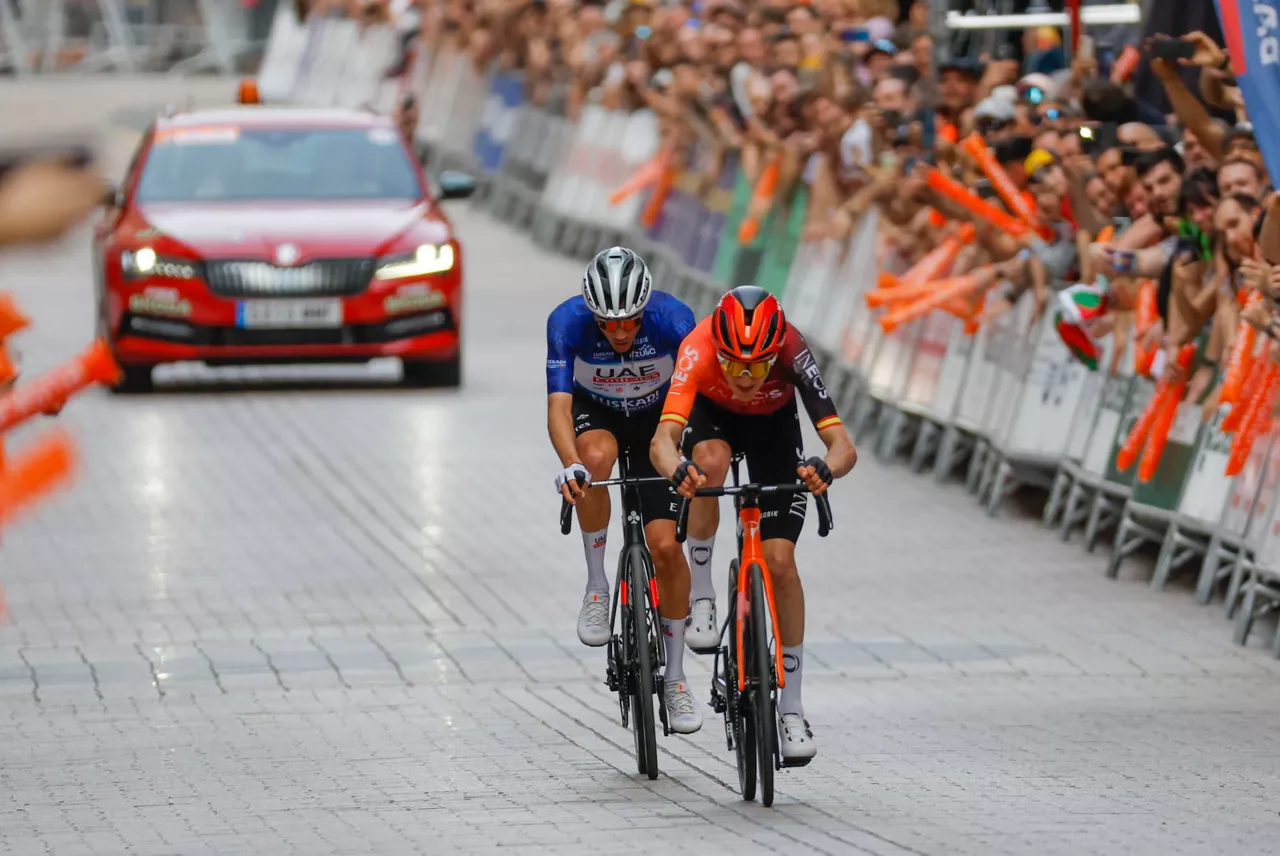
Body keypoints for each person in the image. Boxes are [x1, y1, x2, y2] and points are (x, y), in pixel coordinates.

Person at [649, 285, 858, 761]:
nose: (745, 377)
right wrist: (676, 469)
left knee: (780, 564)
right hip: (714, 421)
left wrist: (826, 468)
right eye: (735, 365)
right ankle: (702, 593)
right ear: (718, 352)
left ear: (775, 355)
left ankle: (791, 707)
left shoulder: (793, 350)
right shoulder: (699, 347)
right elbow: (663, 439)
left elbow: (843, 445)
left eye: (759, 366)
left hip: (773, 428)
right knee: (709, 462)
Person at [546, 247, 716, 735]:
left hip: (657, 425)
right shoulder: (566, 322)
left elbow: (698, 400)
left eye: (629, 323)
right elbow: (558, 408)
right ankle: (598, 584)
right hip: (596, 415)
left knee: (666, 546)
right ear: (591, 313)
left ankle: (677, 677)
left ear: (646, 310)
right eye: (608, 324)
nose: (620, 333)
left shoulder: (673, 319)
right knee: (593, 460)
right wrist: (571, 466)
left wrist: (691, 457)